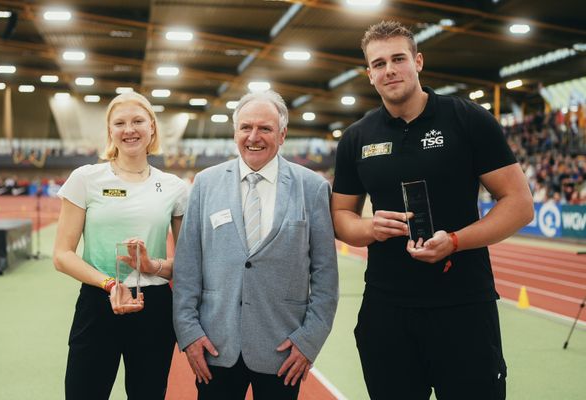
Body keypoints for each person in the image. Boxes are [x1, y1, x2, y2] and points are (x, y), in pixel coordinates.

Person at [331, 20, 534, 400]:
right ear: (369, 74)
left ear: (418, 61)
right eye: (378, 64)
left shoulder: (467, 120)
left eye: (398, 58)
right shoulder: (357, 137)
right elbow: (340, 217)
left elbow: (520, 205)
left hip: (463, 306)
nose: (389, 70)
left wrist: (455, 240)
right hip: (386, 308)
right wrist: (370, 228)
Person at [172, 90, 338, 400]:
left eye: (265, 128)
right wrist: (189, 333)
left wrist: (309, 340)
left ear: (283, 134)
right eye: (246, 127)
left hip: (283, 350)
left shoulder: (312, 188)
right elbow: (187, 267)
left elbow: (326, 276)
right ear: (235, 132)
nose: (254, 137)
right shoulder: (205, 184)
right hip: (215, 345)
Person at [53, 91, 188, 399]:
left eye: (138, 121)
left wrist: (152, 266)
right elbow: (62, 255)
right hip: (99, 301)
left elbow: (186, 264)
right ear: (110, 131)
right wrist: (110, 284)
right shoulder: (85, 179)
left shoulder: (174, 187)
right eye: (120, 123)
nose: (130, 129)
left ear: (152, 127)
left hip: (153, 307)